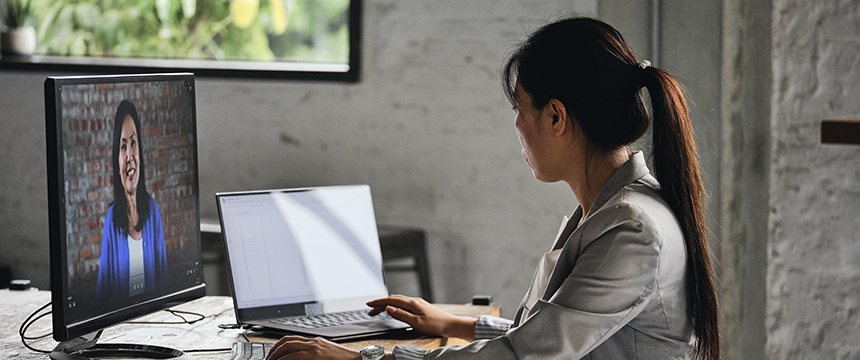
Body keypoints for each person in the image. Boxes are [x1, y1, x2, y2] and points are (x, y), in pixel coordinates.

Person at [266, 16, 719, 360]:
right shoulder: (609, 209)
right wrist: (455, 322)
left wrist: (363, 357)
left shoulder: (632, 231)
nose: (518, 126)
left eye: (521, 109)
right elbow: (535, 332)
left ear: (556, 118)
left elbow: (523, 355)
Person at [96, 100, 169, 306]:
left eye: (133, 143)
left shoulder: (152, 210)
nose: (129, 156)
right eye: (123, 146)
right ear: (116, 161)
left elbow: (164, 279)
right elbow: (102, 293)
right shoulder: (112, 218)